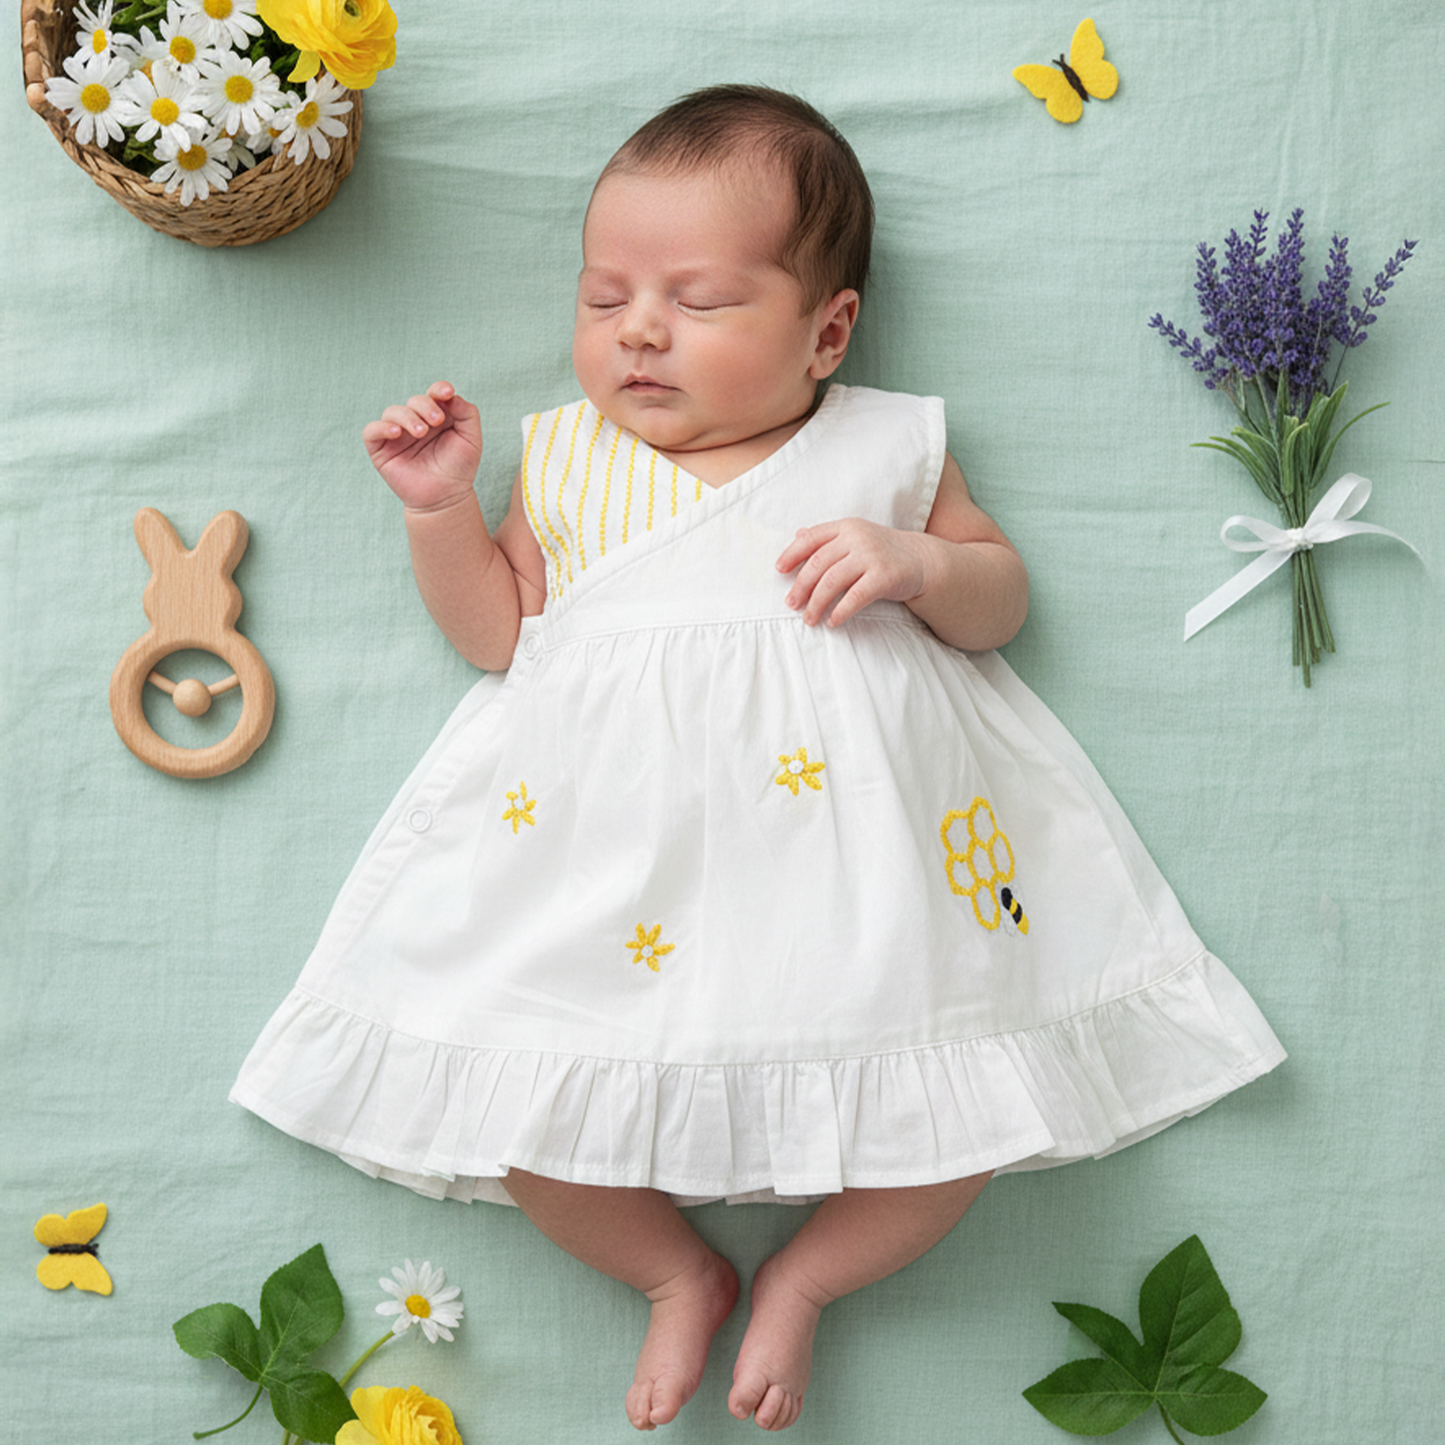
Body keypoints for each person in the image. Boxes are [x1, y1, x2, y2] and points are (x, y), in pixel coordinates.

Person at [232, 86, 1284, 1433]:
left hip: (861, 878)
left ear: (826, 331)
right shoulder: (562, 456)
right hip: (605, 877)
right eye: (604, 300)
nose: (641, 333)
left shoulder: (887, 447)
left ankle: (803, 1281)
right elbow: (501, 639)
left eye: (700, 301)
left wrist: (918, 565)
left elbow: (1000, 603)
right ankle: (674, 1272)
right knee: (517, 1103)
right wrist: (442, 514)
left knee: (967, 1102)